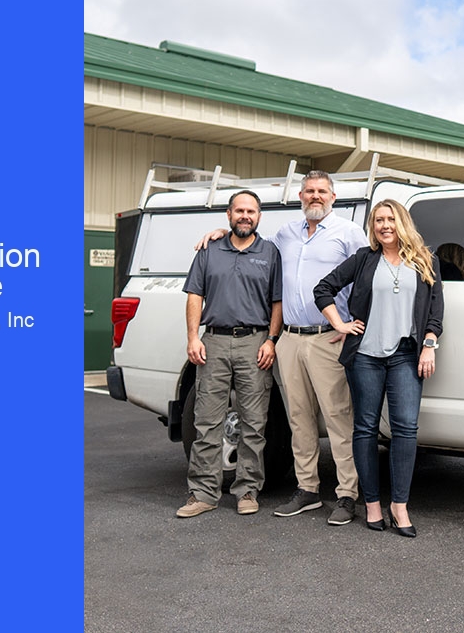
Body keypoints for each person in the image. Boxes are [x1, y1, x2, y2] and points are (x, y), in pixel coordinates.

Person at [196, 170, 369, 526]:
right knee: (298, 418)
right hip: (288, 339)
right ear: (301, 196)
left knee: (337, 417)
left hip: (328, 338)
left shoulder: (349, 233)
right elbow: (246, 240)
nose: (315, 196)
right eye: (309, 191)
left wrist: (352, 325)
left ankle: (347, 494)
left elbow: (367, 278)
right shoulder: (285, 235)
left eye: (322, 191)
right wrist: (218, 233)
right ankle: (307, 489)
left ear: (333, 197)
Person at [314, 199, 443, 538]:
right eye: (378, 220)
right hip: (366, 357)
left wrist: (428, 345)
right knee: (366, 429)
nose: (384, 225)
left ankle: (399, 505)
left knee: (406, 429)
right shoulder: (363, 259)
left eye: (390, 219)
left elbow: (435, 314)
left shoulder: (426, 261)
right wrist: (340, 324)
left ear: (402, 222)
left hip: (405, 354)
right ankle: (371, 503)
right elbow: (323, 289)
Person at [176, 190, 283, 519]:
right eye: (240, 210)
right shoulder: (210, 250)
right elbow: (195, 295)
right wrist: (193, 337)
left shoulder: (270, 252)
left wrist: (272, 341)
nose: (245, 216)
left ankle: (247, 490)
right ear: (228, 214)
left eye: (251, 211)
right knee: (207, 422)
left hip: (255, 342)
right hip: (215, 343)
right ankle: (203, 493)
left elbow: (277, 302)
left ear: (259, 217)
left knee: (254, 423)